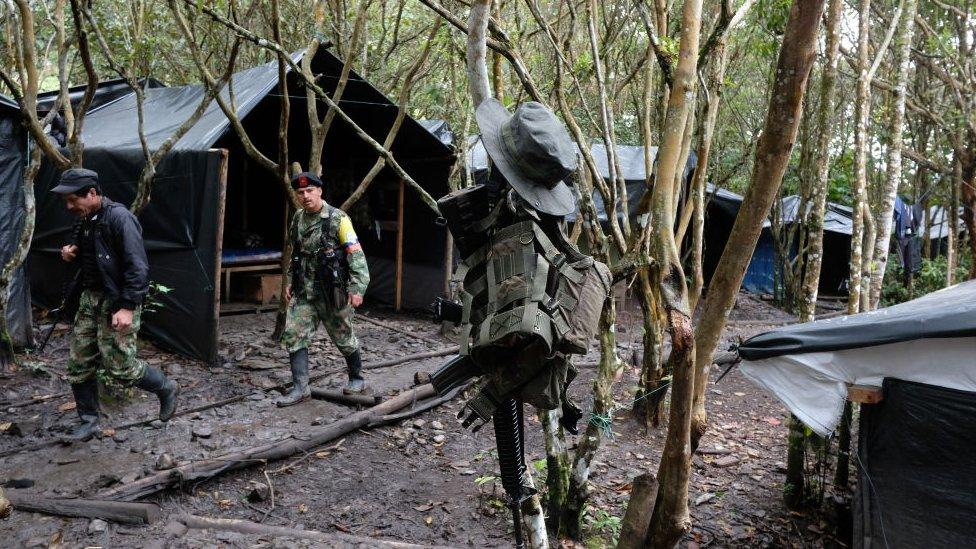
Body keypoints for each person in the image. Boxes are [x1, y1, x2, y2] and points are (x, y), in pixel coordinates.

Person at [54, 168, 180, 442]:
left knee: (120, 366)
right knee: (78, 362)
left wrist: (127, 306)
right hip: (90, 299)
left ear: (92, 193)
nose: (68, 206)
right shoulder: (85, 218)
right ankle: (89, 421)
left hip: (117, 300)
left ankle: (166, 387)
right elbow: (90, 253)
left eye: (73, 199)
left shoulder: (120, 218)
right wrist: (70, 253)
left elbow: (138, 266)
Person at [278, 172, 370, 406]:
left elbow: (356, 255)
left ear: (320, 191)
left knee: (344, 337)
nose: (305, 196)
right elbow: (295, 253)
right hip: (304, 291)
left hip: (332, 291)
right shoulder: (298, 218)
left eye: (310, 191)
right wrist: (289, 280)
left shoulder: (338, 219)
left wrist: (357, 288)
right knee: (294, 335)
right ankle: (301, 388)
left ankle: (356, 378)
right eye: (300, 192)